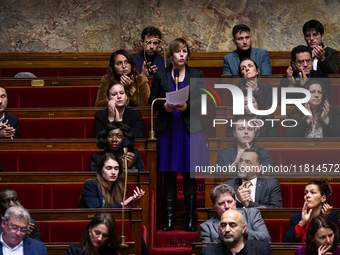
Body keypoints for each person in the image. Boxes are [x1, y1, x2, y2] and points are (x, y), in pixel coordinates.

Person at [148, 38, 209, 232]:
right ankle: (169, 220)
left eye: (184, 51)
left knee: (189, 175)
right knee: (169, 175)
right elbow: (152, 101)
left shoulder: (196, 73)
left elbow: (204, 101)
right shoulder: (162, 75)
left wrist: (188, 106)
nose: (181, 54)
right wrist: (164, 106)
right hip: (168, 129)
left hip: (188, 128)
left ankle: (191, 220)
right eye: (177, 51)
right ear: (171, 55)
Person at [200, 184, 271, 243]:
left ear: (235, 202)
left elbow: (267, 239)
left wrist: (246, 233)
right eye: (221, 203)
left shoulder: (252, 214)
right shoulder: (206, 227)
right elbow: (207, 252)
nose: (227, 206)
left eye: (230, 202)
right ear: (214, 207)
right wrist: (221, 237)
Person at [80, 153, 145, 208]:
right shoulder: (90, 185)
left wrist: (135, 203)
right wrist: (122, 204)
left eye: (116, 168)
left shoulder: (119, 187)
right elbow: (96, 212)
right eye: (109, 168)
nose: (113, 172)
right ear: (100, 170)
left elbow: (126, 213)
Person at [201, 210, 273, 255]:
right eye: (223, 225)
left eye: (232, 225)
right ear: (219, 229)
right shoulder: (208, 252)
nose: (227, 229)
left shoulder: (261, 250)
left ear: (243, 228)